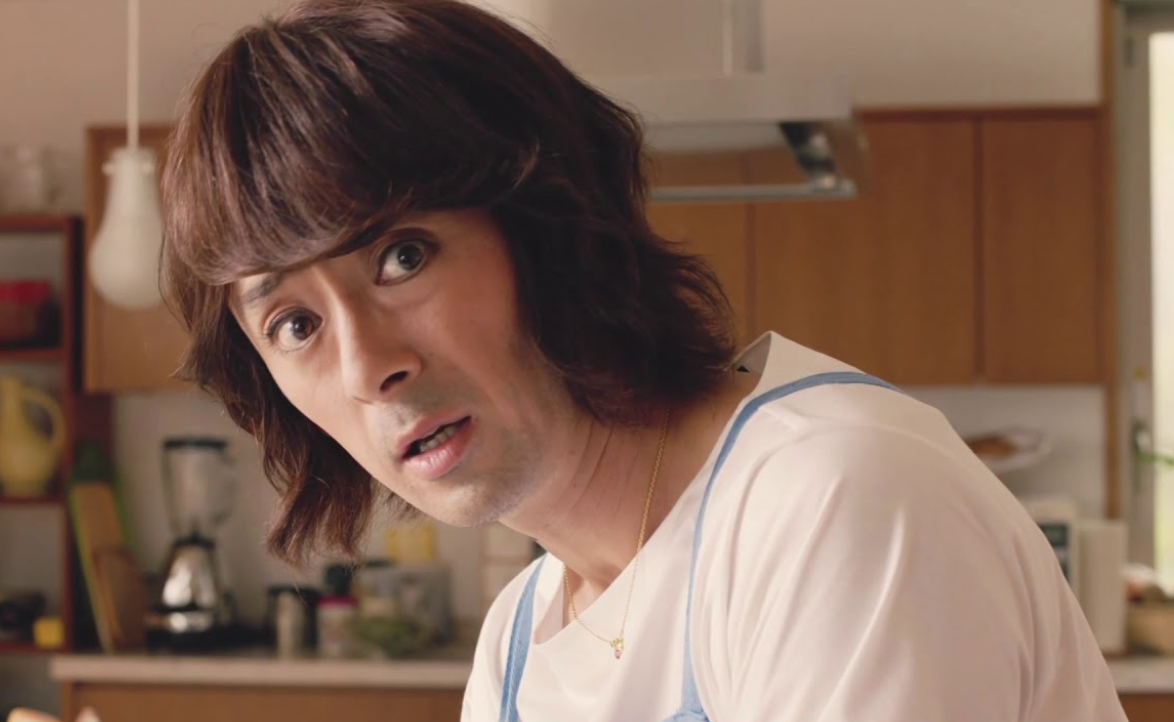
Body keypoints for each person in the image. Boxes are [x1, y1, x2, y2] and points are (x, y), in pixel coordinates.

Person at [159, 1, 1128, 720]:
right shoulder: (517, 643)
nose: (368, 366)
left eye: (402, 257)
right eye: (294, 323)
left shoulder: (830, 498)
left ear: (548, 227)